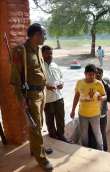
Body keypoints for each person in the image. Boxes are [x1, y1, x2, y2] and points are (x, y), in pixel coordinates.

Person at [10, 23, 53, 171]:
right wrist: (21, 99)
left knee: (38, 124)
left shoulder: (39, 49)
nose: (44, 37)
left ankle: (36, 148)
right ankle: (41, 158)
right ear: (35, 35)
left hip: (41, 93)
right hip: (31, 96)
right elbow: (15, 79)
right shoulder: (20, 51)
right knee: (35, 126)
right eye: (43, 34)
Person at [70, 64, 106, 150]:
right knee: (84, 135)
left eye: (93, 74)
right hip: (82, 114)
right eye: (90, 74)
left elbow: (105, 96)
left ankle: (101, 150)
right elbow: (76, 96)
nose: (92, 77)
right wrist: (73, 110)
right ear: (85, 74)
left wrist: (101, 98)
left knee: (97, 133)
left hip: (95, 114)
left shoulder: (99, 83)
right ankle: (84, 150)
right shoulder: (79, 82)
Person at [42, 45, 67, 142]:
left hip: (59, 97)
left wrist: (62, 83)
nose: (50, 55)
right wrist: (46, 86)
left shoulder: (55, 65)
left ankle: (61, 135)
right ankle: (53, 136)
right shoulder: (40, 66)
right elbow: (37, 81)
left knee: (61, 118)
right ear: (42, 54)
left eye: (51, 53)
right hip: (47, 99)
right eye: (47, 53)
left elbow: (61, 77)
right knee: (50, 119)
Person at [88, 67, 110, 151]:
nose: (98, 74)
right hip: (91, 114)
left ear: (102, 74)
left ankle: (104, 150)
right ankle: (93, 149)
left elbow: (109, 99)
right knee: (92, 133)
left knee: (102, 133)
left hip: (102, 115)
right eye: (96, 73)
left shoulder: (106, 86)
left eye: (100, 73)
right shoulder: (90, 84)